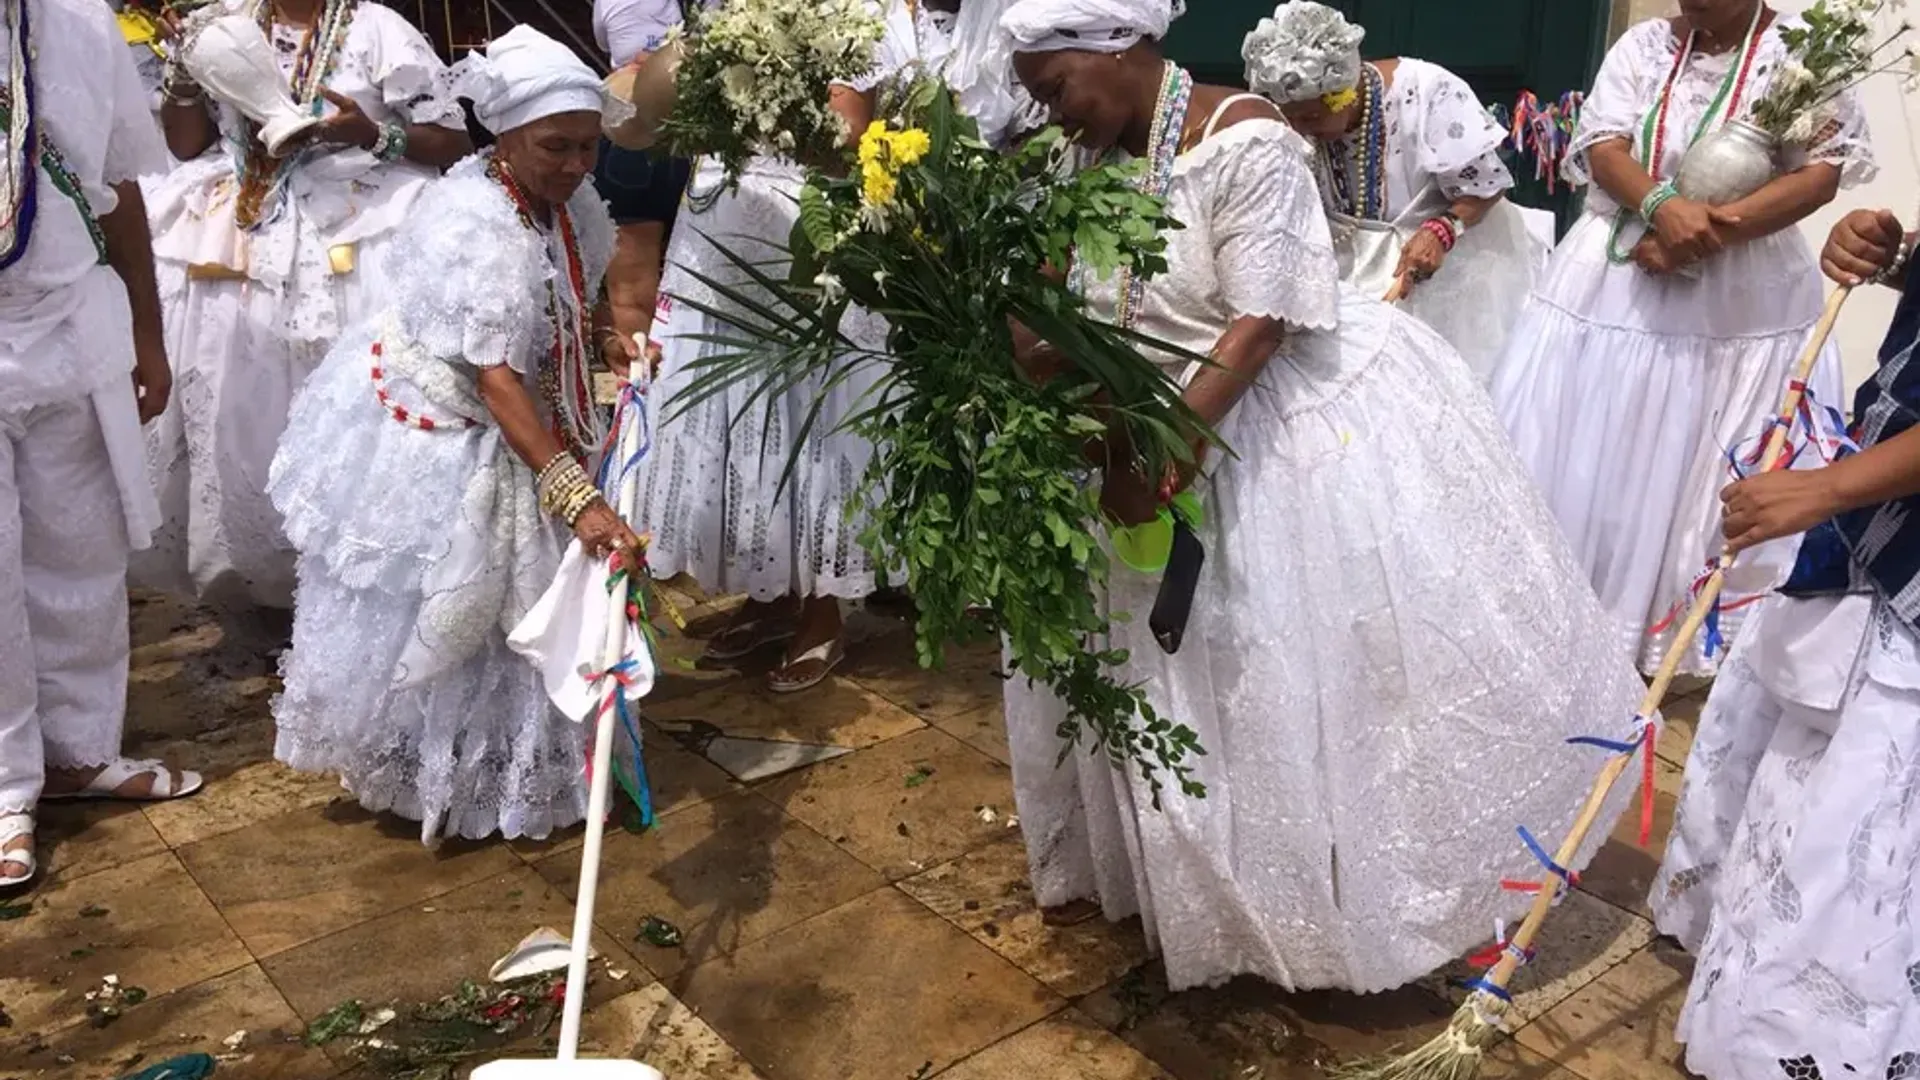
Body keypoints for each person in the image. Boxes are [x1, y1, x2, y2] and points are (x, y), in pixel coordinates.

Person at [984, 0, 1646, 993]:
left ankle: (1343, 897)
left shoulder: (1244, 140)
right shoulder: (1079, 154)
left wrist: (1162, 462)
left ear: (1120, 50)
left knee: (1313, 670)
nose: (1050, 115)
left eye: (1057, 90)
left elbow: (1257, 327)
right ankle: (1217, 885)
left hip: (1272, 426)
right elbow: (1055, 282)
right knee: (1181, 682)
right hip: (1148, 411)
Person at [266, 25, 640, 846]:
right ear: (505, 137)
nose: (579, 165)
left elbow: (575, 295)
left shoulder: (567, 200)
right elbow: (495, 375)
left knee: (524, 604)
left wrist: (607, 344)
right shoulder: (475, 220)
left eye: (589, 146)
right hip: (442, 421)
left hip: (517, 406)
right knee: (453, 598)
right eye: (558, 147)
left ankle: (515, 765)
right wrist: (574, 492)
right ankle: (436, 772)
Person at [1487, 0, 1871, 677]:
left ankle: (1681, 635)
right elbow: (1604, 145)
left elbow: (1820, 173)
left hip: (1743, 292)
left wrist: (1705, 236)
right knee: (1607, 441)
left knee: (1703, 444)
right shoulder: (1641, 47)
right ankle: (1569, 621)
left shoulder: (1805, 51)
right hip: (1621, 277)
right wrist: (1662, 209)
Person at [1647, 208, 1920, 1079]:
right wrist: (1894, 257)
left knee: (1857, 831)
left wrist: (1830, 487)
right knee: (1792, 792)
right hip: (1877, 524)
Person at [635, 0, 941, 693]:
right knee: (737, 416)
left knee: (805, 416)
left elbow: (847, 138)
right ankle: (770, 594)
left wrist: (769, 112)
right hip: (717, 223)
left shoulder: (850, 13)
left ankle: (822, 611)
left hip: (800, 238)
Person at [131, 0, 472, 622]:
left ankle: (364, 572)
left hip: (360, 225)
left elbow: (452, 142)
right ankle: (259, 581)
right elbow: (186, 146)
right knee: (240, 407)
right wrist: (184, 69)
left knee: (354, 410)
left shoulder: (378, 29)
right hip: (244, 229)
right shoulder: (225, 22)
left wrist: (371, 133)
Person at [0, 0, 202, 889]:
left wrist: (150, 338)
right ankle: (6, 791)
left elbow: (117, 190)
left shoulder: (82, 20)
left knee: (77, 554)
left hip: (72, 330)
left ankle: (80, 751)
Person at [1240, 1, 1541, 382]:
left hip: (1449, 274)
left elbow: (1484, 184)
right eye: (1291, 118)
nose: (1300, 130)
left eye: (1311, 117)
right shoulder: (1305, 124)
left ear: (1343, 93)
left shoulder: (1428, 91)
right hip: (1355, 276)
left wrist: (1444, 228)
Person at [593, 0, 694, 342]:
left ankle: (639, 378)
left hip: (635, 126)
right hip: (699, 129)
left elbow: (609, 41)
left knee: (632, 284)